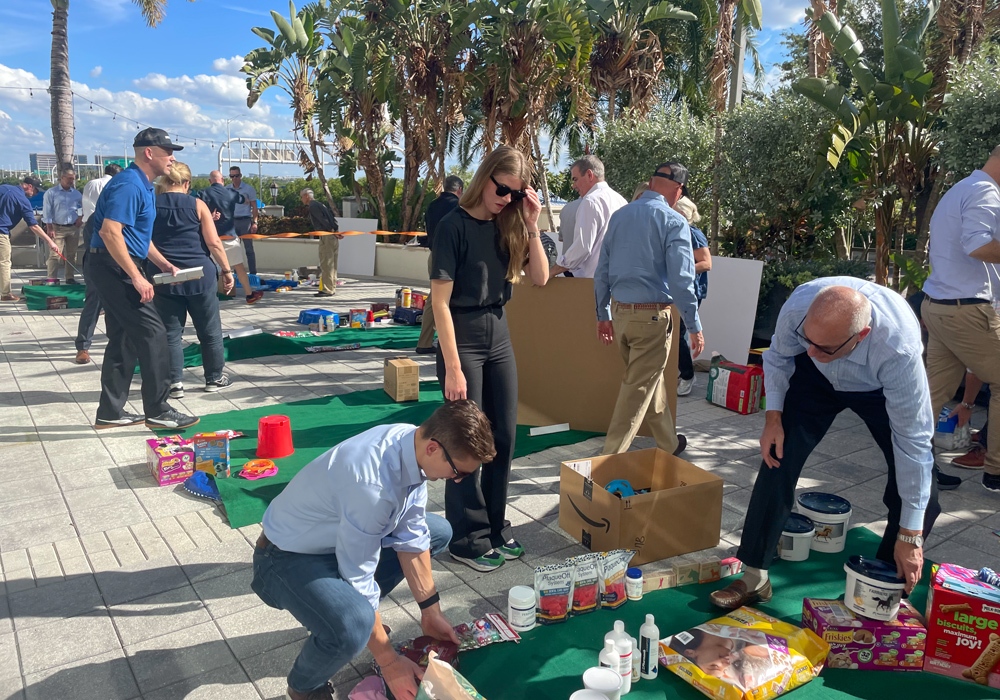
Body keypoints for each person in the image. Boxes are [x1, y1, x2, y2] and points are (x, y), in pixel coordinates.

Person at [710, 279, 940, 611]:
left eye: (825, 347)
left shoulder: (898, 349)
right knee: (778, 457)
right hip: (813, 381)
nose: (814, 351)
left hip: (876, 387)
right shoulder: (801, 308)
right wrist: (773, 418)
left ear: (861, 336)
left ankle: (881, 584)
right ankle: (754, 574)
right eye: (809, 340)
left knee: (924, 493)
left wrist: (910, 536)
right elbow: (779, 357)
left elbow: (913, 444)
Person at [252, 400, 497, 700]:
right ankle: (305, 685)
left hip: (331, 542)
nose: (457, 480)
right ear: (434, 448)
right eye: (458, 471)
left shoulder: (412, 441)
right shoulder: (372, 486)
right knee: (355, 623)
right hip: (282, 557)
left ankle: (338, 615)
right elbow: (360, 576)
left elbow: (413, 534)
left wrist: (430, 612)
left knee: (438, 532)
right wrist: (390, 661)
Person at [431, 145, 549, 572]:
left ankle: (495, 525)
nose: (507, 199)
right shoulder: (452, 226)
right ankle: (466, 535)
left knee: (504, 437)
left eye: (516, 194)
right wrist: (455, 367)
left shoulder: (510, 225)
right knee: (466, 442)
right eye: (503, 190)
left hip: (499, 333)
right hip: (461, 336)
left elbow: (540, 277)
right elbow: (439, 304)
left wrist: (531, 224)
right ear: (485, 179)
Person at [86, 127, 198, 430]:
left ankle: (110, 411)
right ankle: (159, 409)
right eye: (168, 152)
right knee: (154, 334)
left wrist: (164, 264)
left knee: (123, 339)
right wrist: (136, 276)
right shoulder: (129, 185)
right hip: (113, 266)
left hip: (118, 263)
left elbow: (137, 236)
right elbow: (110, 233)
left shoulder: (145, 185)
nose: (172, 158)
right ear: (149, 153)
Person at [594, 162, 704, 456]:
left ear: (652, 182)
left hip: (620, 316)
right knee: (636, 391)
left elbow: (602, 270)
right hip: (652, 318)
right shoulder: (674, 221)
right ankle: (608, 461)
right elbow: (682, 280)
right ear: (678, 190)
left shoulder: (619, 216)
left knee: (645, 382)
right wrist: (694, 326)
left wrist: (602, 314)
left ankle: (668, 444)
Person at [921, 144, 1000, 494]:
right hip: (966, 310)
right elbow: (977, 245)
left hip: (940, 306)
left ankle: (915, 464)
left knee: (932, 393)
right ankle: (996, 472)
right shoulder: (985, 191)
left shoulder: (959, 190)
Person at [148, 162, 235, 399]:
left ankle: (175, 383)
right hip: (200, 274)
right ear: (187, 184)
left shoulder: (151, 204)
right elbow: (214, 243)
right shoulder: (198, 205)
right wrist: (227, 271)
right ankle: (214, 378)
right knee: (209, 331)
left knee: (171, 333)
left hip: (164, 276)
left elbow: (144, 241)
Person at [549, 156, 627, 279]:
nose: (573, 186)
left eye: (575, 179)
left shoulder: (590, 201)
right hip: (618, 280)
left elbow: (583, 247)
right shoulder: (621, 200)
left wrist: (553, 271)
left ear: (589, 175)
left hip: (592, 283)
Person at [75, 163, 123, 364]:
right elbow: (91, 246)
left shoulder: (121, 215)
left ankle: (122, 345)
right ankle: (83, 346)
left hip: (119, 265)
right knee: (93, 303)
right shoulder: (97, 218)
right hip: (98, 264)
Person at [416, 176, 463, 354]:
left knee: (435, 298)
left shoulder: (432, 205)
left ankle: (424, 342)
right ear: (459, 190)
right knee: (455, 299)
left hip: (435, 255)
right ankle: (452, 344)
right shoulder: (458, 207)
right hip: (453, 257)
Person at [201, 171, 262, 304]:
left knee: (208, 268)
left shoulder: (203, 193)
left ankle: (206, 296)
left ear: (210, 181)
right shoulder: (230, 193)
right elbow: (244, 200)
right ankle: (249, 294)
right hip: (229, 236)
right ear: (222, 180)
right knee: (239, 267)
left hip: (211, 237)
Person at [674, 196, 711, 397]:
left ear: (681, 213)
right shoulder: (676, 231)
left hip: (691, 291)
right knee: (674, 334)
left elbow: (706, 263)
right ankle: (682, 374)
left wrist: (680, 271)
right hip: (676, 290)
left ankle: (687, 376)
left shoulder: (693, 233)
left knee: (679, 335)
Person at [0, 176, 59, 302]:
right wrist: (50, 241)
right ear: (29, 186)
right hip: (1, 233)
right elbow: (34, 226)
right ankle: (5, 294)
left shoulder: (3, 188)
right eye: (35, 191)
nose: (34, 194)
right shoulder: (23, 201)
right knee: (4, 262)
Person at [43, 166, 84, 283]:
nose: (71, 181)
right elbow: (47, 211)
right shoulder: (51, 193)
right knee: (55, 255)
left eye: (73, 179)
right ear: (62, 178)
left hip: (72, 227)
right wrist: (49, 227)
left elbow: (84, 206)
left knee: (71, 255)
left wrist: (81, 218)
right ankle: (52, 279)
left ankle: (70, 277)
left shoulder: (76, 194)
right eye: (69, 178)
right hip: (57, 228)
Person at [300, 188, 342, 297]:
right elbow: (332, 218)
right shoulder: (320, 204)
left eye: (302, 197)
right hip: (332, 236)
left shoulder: (313, 206)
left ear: (306, 196)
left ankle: (327, 289)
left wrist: (331, 230)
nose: (301, 199)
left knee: (326, 263)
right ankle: (331, 287)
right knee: (332, 264)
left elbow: (323, 220)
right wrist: (335, 231)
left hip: (326, 236)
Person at [228, 166, 259, 274]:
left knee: (249, 249)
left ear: (240, 176)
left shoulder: (248, 189)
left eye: (236, 176)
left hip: (245, 221)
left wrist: (255, 222)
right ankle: (238, 274)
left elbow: (255, 207)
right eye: (232, 176)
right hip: (232, 222)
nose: (234, 178)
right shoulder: (227, 189)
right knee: (234, 249)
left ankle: (253, 273)